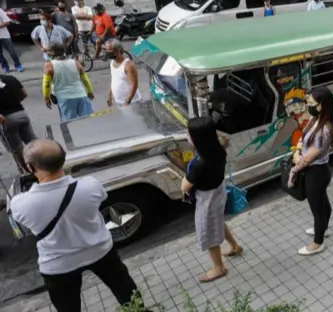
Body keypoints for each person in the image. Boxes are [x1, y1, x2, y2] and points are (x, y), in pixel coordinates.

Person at [10, 139, 149, 312]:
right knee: (125, 290)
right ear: (63, 159)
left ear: (30, 168)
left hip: (58, 264)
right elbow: (101, 198)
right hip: (100, 250)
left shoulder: (20, 204)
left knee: (68, 307)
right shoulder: (90, 185)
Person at [180, 117, 243, 283]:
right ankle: (235, 246)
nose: (187, 135)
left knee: (208, 231)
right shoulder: (219, 148)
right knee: (218, 221)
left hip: (207, 199)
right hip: (219, 190)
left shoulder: (199, 164)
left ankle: (218, 268)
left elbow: (185, 187)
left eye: (189, 133)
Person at [289, 86, 333, 256]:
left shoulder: (324, 129)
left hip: (317, 172)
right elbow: (302, 137)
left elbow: (309, 157)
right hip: (314, 170)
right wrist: (297, 150)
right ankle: (323, 229)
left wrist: (297, 161)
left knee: (317, 209)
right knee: (323, 203)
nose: (307, 106)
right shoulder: (315, 119)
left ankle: (318, 243)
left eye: (310, 103)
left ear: (321, 105)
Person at [42, 43, 94, 122]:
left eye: (48, 51)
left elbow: (46, 84)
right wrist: (90, 91)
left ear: (52, 52)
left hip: (65, 99)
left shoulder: (49, 66)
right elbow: (85, 79)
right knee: (88, 121)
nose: (46, 53)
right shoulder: (75, 63)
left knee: (71, 125)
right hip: (81, 96)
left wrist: (46, 97)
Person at [0, 73, 37, 171]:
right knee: (33, 142)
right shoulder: (10, 78)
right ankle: (42, 164)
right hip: (21, 114)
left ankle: (26, 170)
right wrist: (15, 103)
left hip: (6, 119)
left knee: (16, 149)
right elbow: (24, 94)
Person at [105, 39, 142, 108]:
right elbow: (114, 80)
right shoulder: (112, 63)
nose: (106, 53)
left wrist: (127, 101)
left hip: (132, 103)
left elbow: (134, 85)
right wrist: (109, 94)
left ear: (116, 51)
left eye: (108, 50)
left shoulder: (129, 66)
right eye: (106, 50)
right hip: (119, 102)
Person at [0, 7, 24, 73]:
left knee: (12, 52)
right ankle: (5, 66)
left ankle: (18, 65)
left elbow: (7, 22)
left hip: (4, 36)